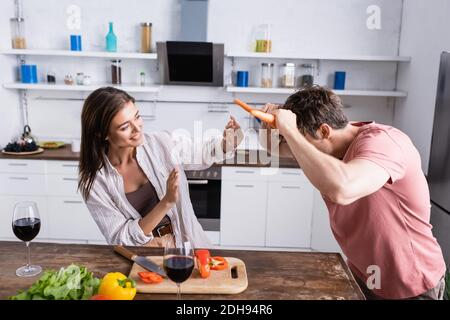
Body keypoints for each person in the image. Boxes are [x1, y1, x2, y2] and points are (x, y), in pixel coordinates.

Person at [261, 85, 446, 300]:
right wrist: (269, 125)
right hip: (365, 275)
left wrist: (291, 132)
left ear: (324, 131)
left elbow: (343, 189)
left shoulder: (383, 143)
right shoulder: (328, 145)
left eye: (302, 139)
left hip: (410, 282)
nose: (297, 148)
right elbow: (274, 149)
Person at [78, 87, 243, 248]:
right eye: (124, 127)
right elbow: (121, 238)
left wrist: (226, 143)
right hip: (142, 259)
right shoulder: (94, 182)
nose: (137, 128)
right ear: (102, 134)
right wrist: (166, 202)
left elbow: (204, 151)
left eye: (137, 117)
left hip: (190, 245)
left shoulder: (160, 143)